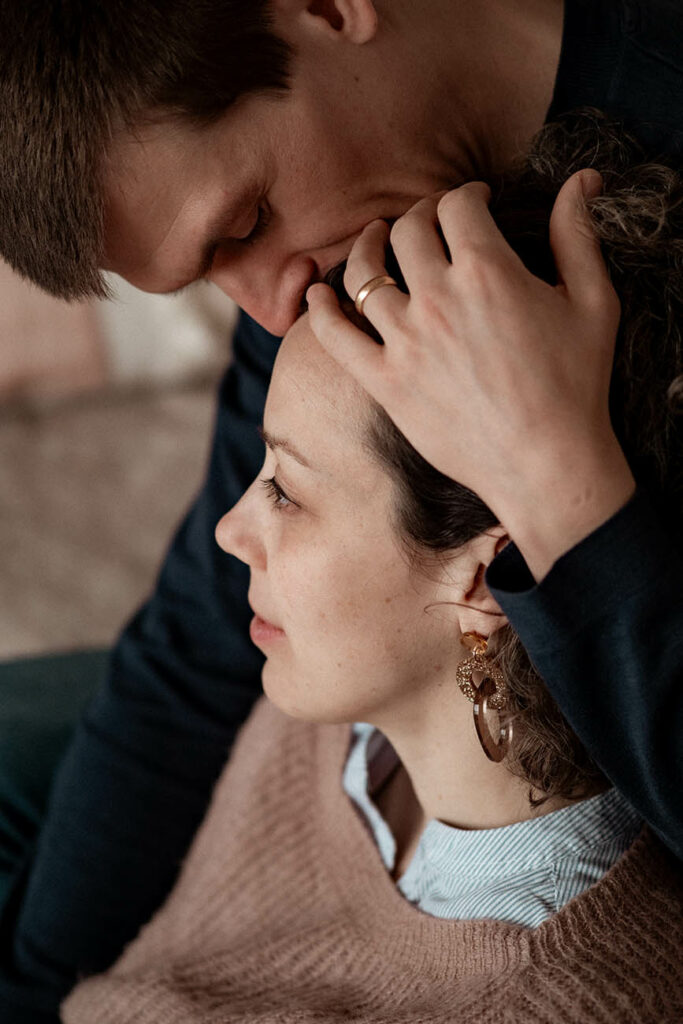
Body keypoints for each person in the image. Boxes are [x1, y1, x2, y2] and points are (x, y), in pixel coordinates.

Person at [0, 2, 681, 1020]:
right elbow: (191, 663)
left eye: (242, 226)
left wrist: (556, 480)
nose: (273, 316)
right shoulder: (322, 260)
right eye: (209, 273)